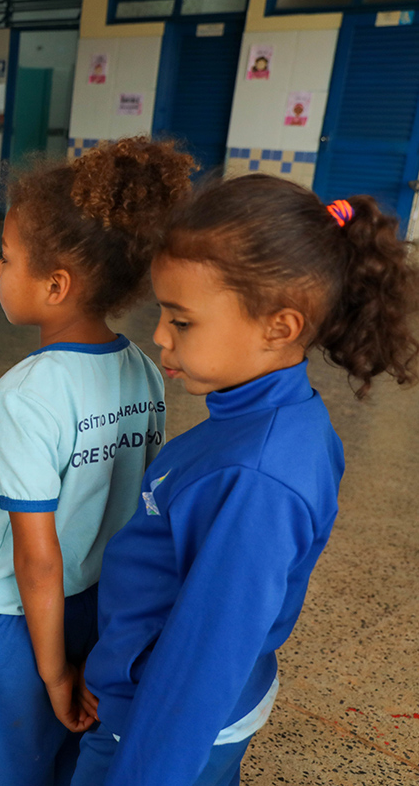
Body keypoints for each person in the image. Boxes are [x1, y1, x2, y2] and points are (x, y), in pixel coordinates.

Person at [71, 176, 419, 785]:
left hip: (163, 725)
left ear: (278, 328)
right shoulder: (279, 421)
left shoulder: (255, 475)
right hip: (172, 696)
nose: (158, 336)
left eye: (181, 321)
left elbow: (204, 661)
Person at [0, 138, 195, 786]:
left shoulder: (24, 394)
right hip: (101, 606)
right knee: (64, 759)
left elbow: (36, 555)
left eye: (6, 259)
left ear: (56, 285)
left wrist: (52, 669)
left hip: (14, 618)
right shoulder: (142, 370)